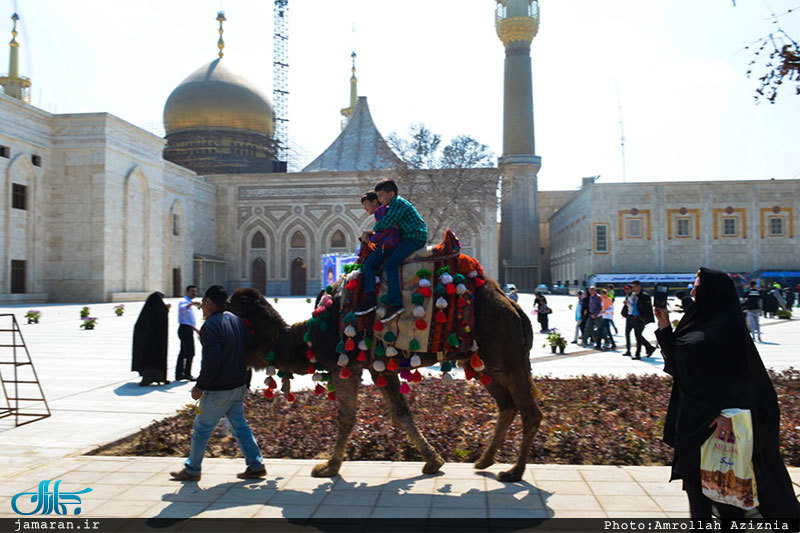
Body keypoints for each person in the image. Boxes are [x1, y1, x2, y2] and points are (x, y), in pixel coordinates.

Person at [654, 268, 800, 523]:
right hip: (692, 424)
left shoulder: (725, 330)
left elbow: (740, 380)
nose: (692, 291)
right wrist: (664, 324)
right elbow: (678, 367)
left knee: (727, 498)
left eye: (697, 285)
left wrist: (726, 413)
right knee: (697, 494)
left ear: (712, 291)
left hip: (717, 428)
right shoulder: (696, 320)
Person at [170, 285, 266, 481]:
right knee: (240, 427)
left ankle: (192, 469)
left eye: (204, 303)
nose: (202, 307)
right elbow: (249, 345)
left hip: (219, 388)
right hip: (238, 385)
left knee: (202, 428)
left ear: (210, 303)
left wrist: (200, 385)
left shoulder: (211, 325)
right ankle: (256, 465)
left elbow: (211, 360)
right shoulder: (237, 320)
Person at [356, 179, 427, 322]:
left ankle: (395, 303)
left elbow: (386, 223)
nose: (379, 199)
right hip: (407, 238)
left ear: (392, 194)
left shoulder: (398, 204)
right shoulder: (391, 206)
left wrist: (369, 233)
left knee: (390, 264)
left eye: (381, 195)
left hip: (414, 237)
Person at [131, 292, 170, 387]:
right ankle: (152, 378)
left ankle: (155, 377)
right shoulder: (159, 308)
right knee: (154, 360)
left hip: (148, 343)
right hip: (155, 342)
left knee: (150, 359)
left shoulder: (147, 311)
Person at [176, 285, 200, 381]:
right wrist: (192, 304)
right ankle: (186, 373)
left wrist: (196, 330)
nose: (194, 293)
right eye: (192, 291)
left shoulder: (189, 302)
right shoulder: (184, 301)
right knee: (190, 352)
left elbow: (188, 321)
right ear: (187, 292)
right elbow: (182, 309)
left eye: (195, 291)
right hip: (184, 330)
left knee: (183, 352)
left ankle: (180, 374)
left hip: (188, 329)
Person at [629, 280, 656, 359]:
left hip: (640, 318)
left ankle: (638, 354)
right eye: (633, 287)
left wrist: (644, 318)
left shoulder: (644, 296)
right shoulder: (633, 296)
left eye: (635, 287)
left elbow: (648, 309)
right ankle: (649, 347)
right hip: (634, 317)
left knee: (638, 336)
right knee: (638, 336)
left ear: (639, 287)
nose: (633, 288)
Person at [620, 285, 635, 356]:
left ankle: (648, 347)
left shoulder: (634, 296)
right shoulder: (627, 296)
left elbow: (633, 307)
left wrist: (627, 303)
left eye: (628, 289)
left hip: (634, 317)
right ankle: (628, 350)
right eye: (625, 289)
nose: (626, 290)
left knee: (638, 335)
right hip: (629, 316)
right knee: (627, 333)